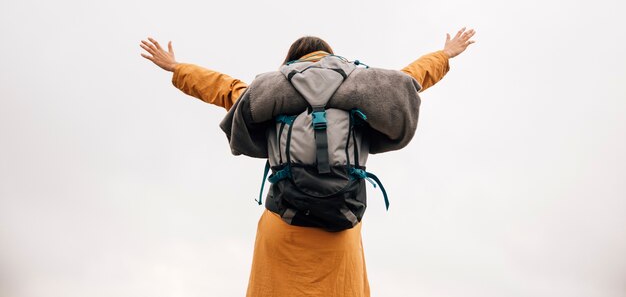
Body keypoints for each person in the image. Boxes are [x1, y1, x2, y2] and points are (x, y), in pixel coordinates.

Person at [140, 28, 476, 297]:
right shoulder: (361, 85)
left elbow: (224, 89)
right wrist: (444, 56)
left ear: (291, 59)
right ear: (330, 55)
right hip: (341, 225)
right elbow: (410, 79)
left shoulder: (274, 89)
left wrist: (177, 68)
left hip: (283, 224)